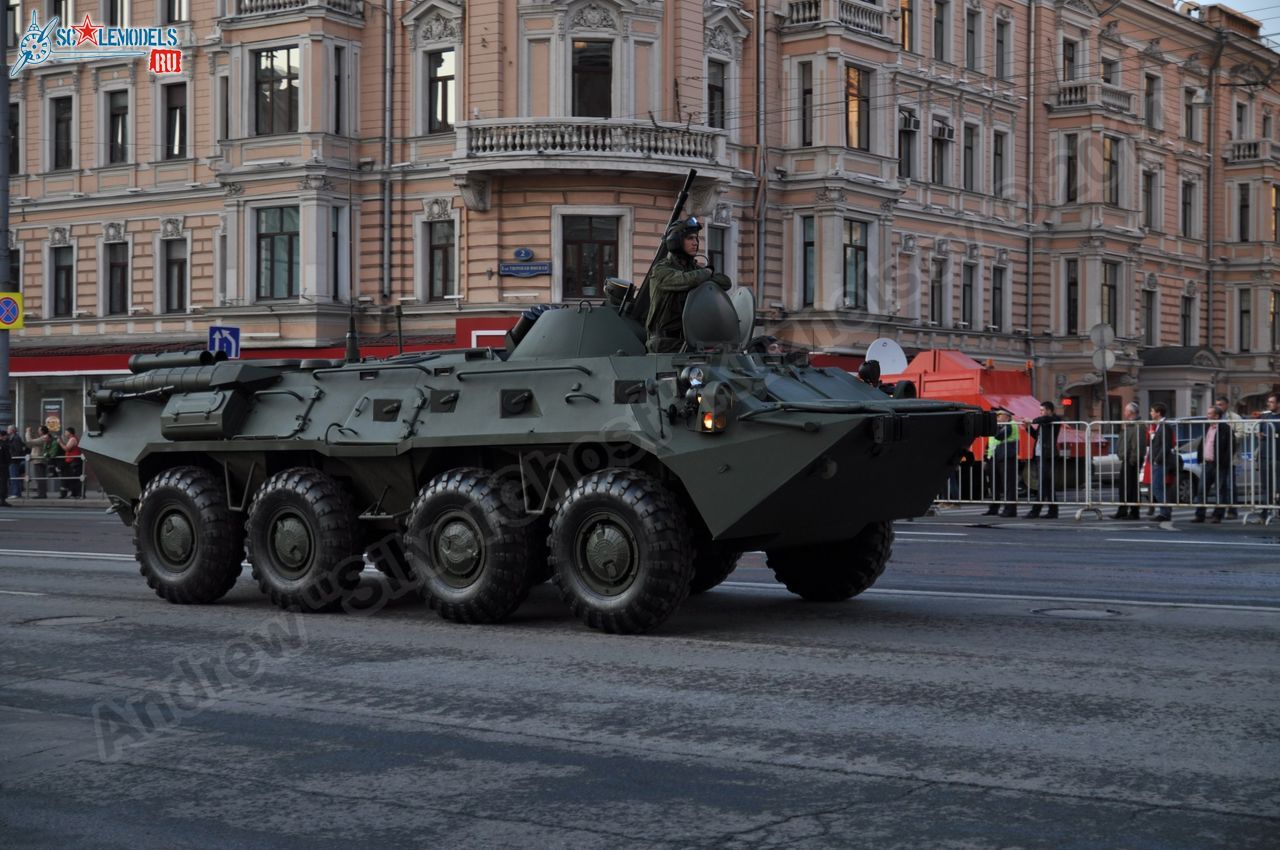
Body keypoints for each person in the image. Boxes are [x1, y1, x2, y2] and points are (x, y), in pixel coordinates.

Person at [645, 217, 732, 353]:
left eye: (696, 239)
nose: (695, 243)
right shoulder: (661, 270)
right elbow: (687, 280)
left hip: (690, 340)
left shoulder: (695, 270)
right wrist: (707, 272)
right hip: (664, 344)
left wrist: (705, 273)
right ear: (676, 241)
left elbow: (725, 282)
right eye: (690, 238)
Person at [1190, 406, 1234, 524]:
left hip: (1219, 464)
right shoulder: (1207, 427)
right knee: (1201, 490)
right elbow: (1203, 443)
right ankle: (1200, 515)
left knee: (1220, 490)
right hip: (1207, 463)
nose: (1207, 416)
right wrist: (1200, 457)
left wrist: (1224, 462)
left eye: (1209, 414)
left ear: (1216, 416)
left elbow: (1231, 447)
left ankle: (1217, 515)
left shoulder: (1225, 429)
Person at [1023, 401, 1062, 519]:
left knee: (1043, 484)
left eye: (1042, 410)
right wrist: (1028, 428)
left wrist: (1032, 421)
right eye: (1040, 411)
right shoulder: (1043, 421)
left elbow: (1045, 419)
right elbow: (1036, 435)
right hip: (1040, 454)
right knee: (1047, 485)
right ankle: (1053, 511)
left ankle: (1035, 511)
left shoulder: (1054, 419)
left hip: (1048, 455)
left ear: (1049, 410)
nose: (1041, 413)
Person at [983, 408, 1020, 517]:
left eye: (999, 415)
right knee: (994, 484)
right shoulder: (999, 426)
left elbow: (999, 436)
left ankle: (1010, 510)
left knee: (1008, 485)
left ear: (1007, 416)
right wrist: (986, 459)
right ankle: (994, 508)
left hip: (1006, 457)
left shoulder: (1011, 424)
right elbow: (988, 444)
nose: (997, 417)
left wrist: (994, 427)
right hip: (994, 457)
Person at [1112, 402, 1145, 520]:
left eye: (1126, 411)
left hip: (1131, 460)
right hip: (1127, 459)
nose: (1124, 413)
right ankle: (1123, 510)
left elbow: (1138, 444)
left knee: (1131, 487)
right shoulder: (1129, 425)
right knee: (1124, 486)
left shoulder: (1138, 426)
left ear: (1131, 413)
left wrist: (1133, 459)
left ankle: (1134, 511)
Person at [1146, 403, 1177, 522]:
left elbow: (1166, 445)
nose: (1151, 413)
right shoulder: (1159, 425)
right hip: (1158, 460)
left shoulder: (1164, 426)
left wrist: (1157, 460)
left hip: (1161, 461)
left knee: (1157, 487)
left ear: (1158, 413)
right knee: (1157, 487)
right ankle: (1165, 512)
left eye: (1152, 411)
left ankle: (1165, 513)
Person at [1257, 392, 1279, 520]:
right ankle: (1264, 513)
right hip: (1266, 455)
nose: (1269, 404)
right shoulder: (1265, 417)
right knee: (1266, 486)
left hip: (1278, 456)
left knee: (1278, 486)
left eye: (1272, 402)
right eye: (1269, 402)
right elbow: (1260, 431)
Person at [24, 426, 53, 499]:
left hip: (39, 461)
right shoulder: (44, 438)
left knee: (40, 478)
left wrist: (27, 432)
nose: (38, 432)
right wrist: (31, 433)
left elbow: (30, 441)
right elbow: (34, 441)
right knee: (40, 478)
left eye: (39, 430)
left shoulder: (43, 438)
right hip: (39, 460)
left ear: (42, 431)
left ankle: (42, 494)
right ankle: (42, 493)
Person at [59, 426, 82, 499]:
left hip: (74, 461)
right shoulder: (72, 439)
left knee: (74, 478)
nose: (65, 433)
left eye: (65, 432)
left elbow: (67, 448)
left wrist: (60, 442)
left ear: (69, 432)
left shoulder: (72, 439)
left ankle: (75, 494)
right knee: (73, 478)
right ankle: (74, 493)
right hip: (72, 461)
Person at [5, 425, 23, 500]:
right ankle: (16, 493)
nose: (7, 430)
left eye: (8, 429)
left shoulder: (15, 438)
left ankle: (15, 493)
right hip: (13, 460)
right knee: (14, 477)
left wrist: (11, 456)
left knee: (14, 477)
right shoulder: (12, 438)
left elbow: (17, 450)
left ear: (12, 430)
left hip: (14, 460)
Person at [0, 428, 10, 507]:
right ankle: (2, 500)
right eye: (6, 436)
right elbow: (7, 456)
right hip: (3, 466)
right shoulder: (4, 444)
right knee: (3, 483)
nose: (6, 437)